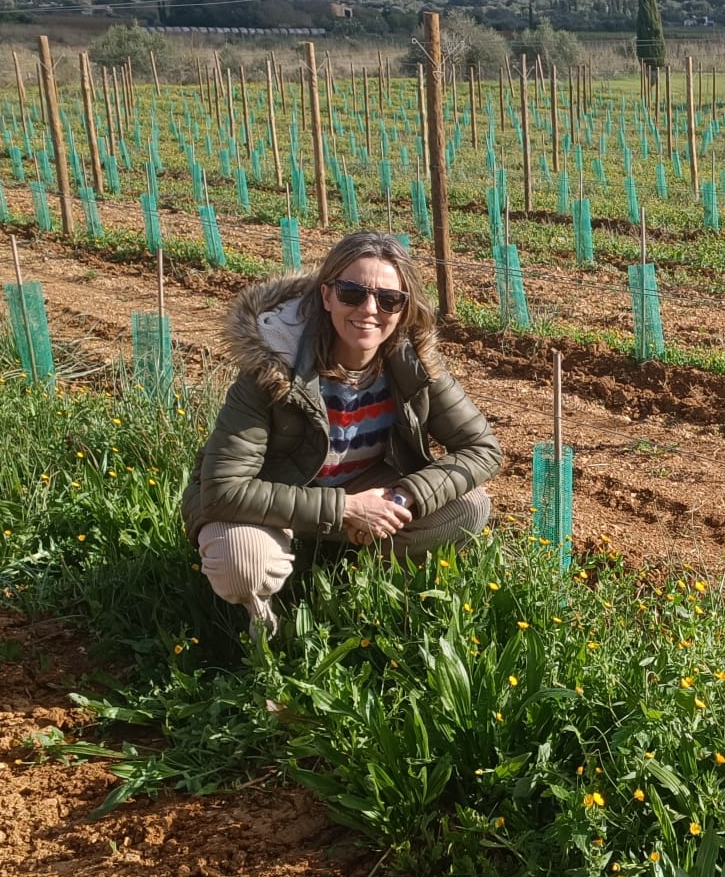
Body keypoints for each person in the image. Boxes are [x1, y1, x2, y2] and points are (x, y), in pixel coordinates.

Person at [182, 230, 502, 634]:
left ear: (403, 309)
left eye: (389, 299)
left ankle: (369, 598)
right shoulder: (273, 365)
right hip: (268, 497)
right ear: (327, 294)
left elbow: (482, 448)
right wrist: (347, 509)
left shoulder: (411, 361)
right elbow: (224, 490)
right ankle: (261, 629)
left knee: (469, 506)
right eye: (353, 293)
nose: (370, 309)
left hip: (361, 486)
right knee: (242, 560)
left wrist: (398, 498)